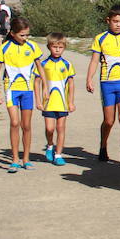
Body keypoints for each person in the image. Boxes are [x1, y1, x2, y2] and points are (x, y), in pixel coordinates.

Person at [0, 17, 45, 172]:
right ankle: (15, 159)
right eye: (22, 35)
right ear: (13, 33)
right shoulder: (4, 48)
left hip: (28, 91)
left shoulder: (32, 47)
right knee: (15, 123)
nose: (25, 38)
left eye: (27, 35)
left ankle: (26, 159)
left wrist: (45, 88)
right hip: (11, 90)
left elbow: (40, 68)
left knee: (26, 125)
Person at [86, 5, 120, 165]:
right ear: (108, 21)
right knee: (109, 120)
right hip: (107, 83)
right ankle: (103, 146)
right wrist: (89, 78)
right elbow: (94, 60)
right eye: (115, 21)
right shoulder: (101, 38)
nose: (118, 25)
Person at [40, 33, 76, 167]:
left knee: (61, 128)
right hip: (48, 103)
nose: (57, 50)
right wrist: (38, 100)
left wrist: (71, 102)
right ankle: (50, 146)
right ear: (49, 47)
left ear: (64, 48)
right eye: (54, 47)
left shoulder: (67, 64)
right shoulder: (44, 64)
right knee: (50, 128)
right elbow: (37, 81)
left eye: (60, 47)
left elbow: (71, 83)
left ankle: (58, 154)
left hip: (62, 103)